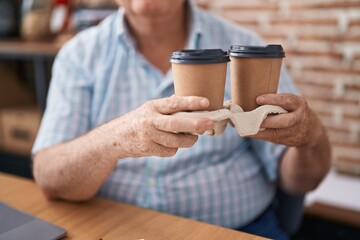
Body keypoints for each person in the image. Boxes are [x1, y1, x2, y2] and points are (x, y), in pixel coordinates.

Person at [32, 0, 331, 239]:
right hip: (116, 230)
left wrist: (311, 137)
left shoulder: (249, 53)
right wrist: (118, 139)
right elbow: (50, 176)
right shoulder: (78, 56)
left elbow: (301, 180)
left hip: (239, 230)